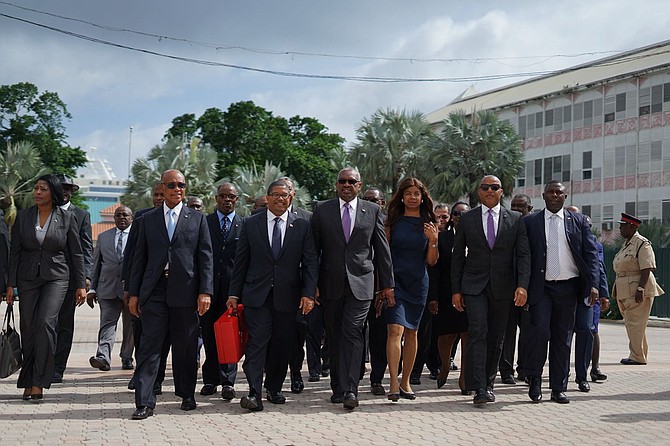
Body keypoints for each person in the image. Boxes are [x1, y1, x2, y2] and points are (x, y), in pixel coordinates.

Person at [128, 169, 214, 419]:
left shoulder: (197, 219)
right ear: (162, 189)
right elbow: (138, 259)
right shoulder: (147, 219)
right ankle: (144, 402)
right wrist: (133, 294)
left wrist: (205, 291)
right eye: (172, 185)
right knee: (149, 347)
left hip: (186, 292)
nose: (178, 189)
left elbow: (205, 257)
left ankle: (186, 394)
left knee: (185, 346)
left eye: (182, 185)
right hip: (154, 290)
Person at [227, 179, 318, 411]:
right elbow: (241, 263)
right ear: (267, 198)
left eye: (284, 195)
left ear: (291, 198)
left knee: (282, 343)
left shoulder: (302, 224)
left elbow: (309, 262)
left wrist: (308, 293)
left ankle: (274, 387)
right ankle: (254, 393)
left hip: (288, 296)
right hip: (257, 295)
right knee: (258, 342)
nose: (280, 199)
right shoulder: (251, 223)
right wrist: (233, 295)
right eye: (275, 195)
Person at [311, 167, 394, 410]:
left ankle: (350, 389)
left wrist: (387, 285)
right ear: (336, 185)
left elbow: (382, 250)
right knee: (335, 335)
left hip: (362, 284)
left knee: (353, 332)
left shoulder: (373, 211)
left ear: (359, 185)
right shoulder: (322, 210)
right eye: (342, 181)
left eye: (352, 181)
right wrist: (312, 285)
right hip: (330, 284)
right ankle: (338, 387)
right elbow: (313, 251)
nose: (347, 185)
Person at [6, 174, 86, 402]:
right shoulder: (23, 217)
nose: (37, 192)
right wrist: (11, 283)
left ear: (53, 193)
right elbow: (16, 253)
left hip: (57, 277)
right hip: (28, 278)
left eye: (42, 189)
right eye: (36, 188)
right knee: (29, 327)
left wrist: (81, 284)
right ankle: (28, 380)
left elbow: (76, 253)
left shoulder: (67, 217)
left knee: (45, 324)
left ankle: (40, 381)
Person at [451, 175, 530, 405]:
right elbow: (457, 257)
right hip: (474, 286)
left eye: (494, 187)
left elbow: (524, 255)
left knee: (497, 336)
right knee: (478, 331)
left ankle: (488, 383)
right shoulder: (467, 219)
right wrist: (456, 290)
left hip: (503, 287)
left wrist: (522, 285)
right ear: (479, 192)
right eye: (485, 187)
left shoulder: (515, 219)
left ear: (501, 191)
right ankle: (478, 387)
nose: (489, 191)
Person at [524, 181, 599, 404]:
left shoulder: (578, 221)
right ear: (543, 195)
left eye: (559, 192)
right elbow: (523, 256)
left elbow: (591, 255)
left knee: (563, 338)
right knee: (539, 334)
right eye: (551, 192)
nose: (555, 195)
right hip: (541, 287)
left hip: (569, 287)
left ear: (565, 196)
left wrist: (593, 284)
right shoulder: (531, 222)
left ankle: (558, 388)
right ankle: (535, 380)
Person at [384, 177, 438, 402]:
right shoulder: (392, 221)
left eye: (417, 194)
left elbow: (432, 261)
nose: (413, 198)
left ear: (423, 196)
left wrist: (433, 240)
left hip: (418, 282)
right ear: (402, 196)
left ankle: (406, 380)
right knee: (395, 330)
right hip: (395, 282)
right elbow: (384, 254)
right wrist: (385, 285)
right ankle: (393, 383)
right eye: (408, 194)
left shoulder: (429, 221)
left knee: (412, 332)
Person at [123, 183, 170, 393]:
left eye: (163, 194)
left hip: (173, 289)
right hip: (144, 287)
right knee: (142, 334)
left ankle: (156, 379)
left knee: (162, 339)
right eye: (157, 194)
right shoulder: (143, 217)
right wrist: (129, 287)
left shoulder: (182, 217)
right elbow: (133, 254)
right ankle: (140, 375)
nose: (160, 198)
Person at [200, 183, 243, 401]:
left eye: (232, 197)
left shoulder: (244, 225)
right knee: (208, 334)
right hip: (207, 290)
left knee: (229, 335)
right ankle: (210, 380)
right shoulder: (204, 223)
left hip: (231, 293)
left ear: (237, 200)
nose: (227, 200)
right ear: (216, 198)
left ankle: (228, 382)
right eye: (223, 196)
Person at [53, 174, 93, 383]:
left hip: (70, 279)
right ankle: (42, 363)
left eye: (69, 188)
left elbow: (87, 247)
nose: (65, 191)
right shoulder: (43, 212)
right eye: (61, 187)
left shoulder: (82, 215)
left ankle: (58, 367)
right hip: (44, 277)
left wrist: (85, 277)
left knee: (64, 324)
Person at [429, 201, 470, 394]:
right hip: (446, 294)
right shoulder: (443, 237)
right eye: (456, 213)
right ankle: (444, 366)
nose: (459, 217)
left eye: (464, 214)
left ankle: (464, 376)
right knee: (446, 337)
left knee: (468, 336)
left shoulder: (476, 237)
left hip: (472, 293)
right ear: (451, 217)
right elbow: (435, 269)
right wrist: (433, 296)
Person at [87, 205, 134, 371]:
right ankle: (103, 357)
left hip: (130, 290)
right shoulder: (103, 237)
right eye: (118, 215)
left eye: (125, 215)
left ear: (131, 218)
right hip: (107, 289)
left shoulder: (138, 237)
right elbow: (96, 265)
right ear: (114, 218)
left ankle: (127, 357)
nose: (122, 218)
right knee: (107, 323)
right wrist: (92, 289)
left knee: (130, 326)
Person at [613, 213, 664, 366]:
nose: (620, 228)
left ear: (632, 226)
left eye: (623, 226)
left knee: (635, 324)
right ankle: (638, 354)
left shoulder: (642, 243)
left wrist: (640, 288)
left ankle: (637, 357)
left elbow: (647, 267)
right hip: (625, 287)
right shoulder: (628, 243)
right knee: (633, 324)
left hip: (636, 288)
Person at [410, 202, 450, 385]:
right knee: (419, 333)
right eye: (438, 216)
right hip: (422, 287)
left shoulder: (450, 238)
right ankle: (413, 370)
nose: (441, 220)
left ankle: (435, 365)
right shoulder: (425, 233)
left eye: (445, 217)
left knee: (434, 334)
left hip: (444, 292)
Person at [498, 194, 533, 384]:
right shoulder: (506, 226)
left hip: (529, 288)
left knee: (528, 330)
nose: (517, 209)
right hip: (507, 288)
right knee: (507, 331)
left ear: (530, 208)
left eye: (522, 206)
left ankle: (524, 368)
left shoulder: (536, 228)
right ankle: (505, 370)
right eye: (514, 206)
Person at [361, 187, 388, 395]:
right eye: (367, 199)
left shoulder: (390, 225)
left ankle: (377, 379)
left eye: (375, 200)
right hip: (359, 287)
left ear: (383, 203)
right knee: (356, 334)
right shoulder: (357, 221)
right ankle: (356, 371)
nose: (371, 203)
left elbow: (386, 260)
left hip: (382, 290)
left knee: (380, 337)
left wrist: (384, 288)